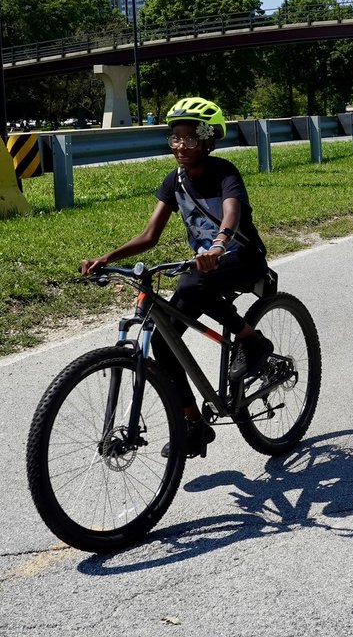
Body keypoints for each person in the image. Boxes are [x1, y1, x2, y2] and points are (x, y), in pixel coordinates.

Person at [80, 97, 274, 459]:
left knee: (189, 284)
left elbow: (230, 214)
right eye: (175, 139)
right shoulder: (175, 180)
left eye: (190, 138)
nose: (181, 146)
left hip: (241, 259)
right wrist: (106, 257)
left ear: (207, 140)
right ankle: (193, 422)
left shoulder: (225, 172)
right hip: (203, 267)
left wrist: (218, 245)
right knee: (163, 341)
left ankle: (252, 340)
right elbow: (149, 236)